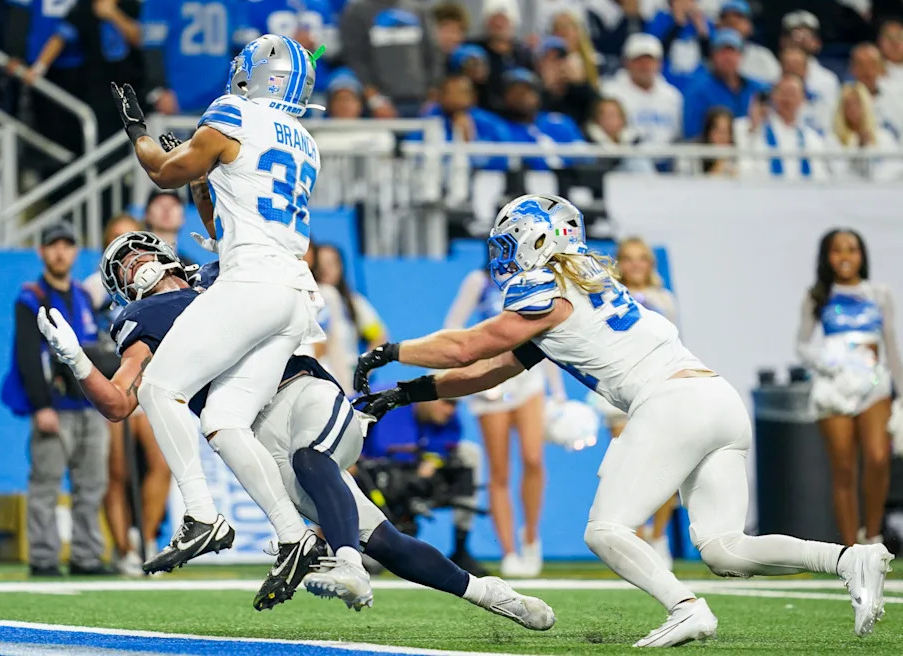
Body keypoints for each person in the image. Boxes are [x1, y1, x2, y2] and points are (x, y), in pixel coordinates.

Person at [353, 194, 894, 647]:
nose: (503, 253)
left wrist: (391, 348)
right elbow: (490, 371)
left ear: (538, 240)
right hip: (716, 398)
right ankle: (849, 558)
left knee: (605, 530)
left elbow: (469, 345)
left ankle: (685, 607)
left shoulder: (544, 290)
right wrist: (404, 394)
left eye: (509, 239)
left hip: (671, 404)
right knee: (725, 549)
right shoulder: (587, 283)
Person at [38, 231, 556, 628]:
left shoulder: (222, 277)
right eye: (123, 268)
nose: (136, 267)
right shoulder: (145, 318)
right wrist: (76, 360)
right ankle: (489, 594)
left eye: (138, 254)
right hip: (260, 440)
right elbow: (117, 403)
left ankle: (336, 558)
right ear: (119, 288)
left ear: (164, 253)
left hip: (304, 394)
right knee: (386, 540)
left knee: (313, 460)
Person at [108, 34, 328, 578]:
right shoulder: (305, 142)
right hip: (294, 294)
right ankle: (294, 535)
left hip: (251, 280)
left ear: (259, 74)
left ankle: (201, 515)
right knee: (226, 420)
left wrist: (136, 131)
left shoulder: (235, 111)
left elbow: (161, 170)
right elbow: (219, 220)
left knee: (160, 387)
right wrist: (203, 182)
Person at [443, 262, 565, 577]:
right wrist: (462, 371)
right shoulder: (479, 279)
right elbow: (454, 326)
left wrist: (557, 391)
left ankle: (531, 536)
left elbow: (547, 333)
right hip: (491, 382)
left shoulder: (539, 279)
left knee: (533, 457)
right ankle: (508, 551)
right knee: (499, 470)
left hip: (528, 376)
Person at [2, 222, 110, 577]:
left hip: (90, 406)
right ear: (42, 252)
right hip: (55, 407)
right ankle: (44, 557)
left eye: (67, 245)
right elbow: (28, 356)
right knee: (46, 483)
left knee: (91, 485)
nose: (60, 252)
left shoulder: (82, 295)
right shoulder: (30, 296)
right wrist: (41, 405)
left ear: (76, 252)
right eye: (53, 246)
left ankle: (86, 556)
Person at [797, 229, 903, 547]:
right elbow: (802, 345)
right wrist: (831, 362)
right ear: (826, 257)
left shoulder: (879, 293)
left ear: (862, 255)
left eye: (852, 249)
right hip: (835, 386)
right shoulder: (817, 296)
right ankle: (850, 552)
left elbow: (891, 347)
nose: (845, 256)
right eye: (837, 250)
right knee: (843, 467)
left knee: (877, 457)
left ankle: (872, 538)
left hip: (873, 385)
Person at [85, 213, 171, 577]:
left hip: (151, 382)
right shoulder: (93, 287)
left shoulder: (157, 279)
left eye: (132, 240)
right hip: (115, 380)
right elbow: (86, 336)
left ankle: (149, 540)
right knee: (115, 470)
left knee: (161, 464)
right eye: (117, 240)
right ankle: (124, 549)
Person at [24, 0, 143, 140]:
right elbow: (60, 37)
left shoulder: (133, 5)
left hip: (134, 85)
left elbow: (140, 39)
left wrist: (113, 14)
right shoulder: (82, 7)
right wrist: (38, 68)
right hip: (98, 89)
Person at [361, 396, 487, 577]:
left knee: (469, 453)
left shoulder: (449, 420)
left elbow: (443, 447)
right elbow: (387, 451)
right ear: (427, 397)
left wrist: (432, 460)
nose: (450, 410)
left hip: (416, 476)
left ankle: (461, 547)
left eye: (454, 404)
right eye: (446, 402)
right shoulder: (391, 404)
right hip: (374, 475)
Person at [613, 236, 679, 566]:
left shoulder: (665, 299)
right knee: (628, 466)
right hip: (620, 390)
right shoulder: (608, 297)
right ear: (619, 263)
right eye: (628, 258)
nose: (635, 265)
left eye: (642, 258)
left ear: (650, 265)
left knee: (667, 465)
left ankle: (659, 536)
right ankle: (636, 540)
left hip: (658, 388)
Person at [140, 0, 254, 116]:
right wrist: (159, 89)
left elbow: (241, 48)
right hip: (176, 95)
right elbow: (152, 47)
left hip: (221, 94)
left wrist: (236, 87)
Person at [5, 0, 89, 156]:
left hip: (79, 63)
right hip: (38, 62)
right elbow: (19, 10)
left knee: (76, 137)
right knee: (45, 136)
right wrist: (15, 53)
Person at [340, 0, 441, 118]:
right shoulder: (356, 11)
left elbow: (432, 54)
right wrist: (375, 100)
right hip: (380, 105)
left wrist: (432, 97)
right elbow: (355, 59)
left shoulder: (419, 10)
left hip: (420, 102)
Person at [246, 0, 338, 95]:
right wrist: (290, 48)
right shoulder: (253, 1)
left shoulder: (318, 0)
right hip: (272, 89)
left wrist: (314, 46)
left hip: (315, 87)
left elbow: (333, 47)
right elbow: (249, 49)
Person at [314, 243, 388, 393]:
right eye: (320, 264)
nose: (325, 269)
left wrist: (362, 370)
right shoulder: (310, 302)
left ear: (341, 267)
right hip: (318, 381)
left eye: (331, 263)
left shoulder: (355, 304)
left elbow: (379, 337)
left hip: (347, 384)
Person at [734, 74, 830, 180]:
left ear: (803, 99)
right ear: (773, 96)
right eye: (783, 93)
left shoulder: (812, 138)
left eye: (792, 93)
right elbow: (742, 162)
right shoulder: (754, 128)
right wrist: (753, 128)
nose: (787, 99)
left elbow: (821, 176)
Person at [602, 33, 683, 151]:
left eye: (650, 60)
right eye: (638, 61)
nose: (645, 66)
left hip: (666, 162)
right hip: (624, 159)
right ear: (626, 62)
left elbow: (678, 136)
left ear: (659, 63)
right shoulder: (609, 92)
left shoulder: (672, 96)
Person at [497, 68, 586, 172]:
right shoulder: (500, 129)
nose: (521, 98)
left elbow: (585, 158)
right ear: (504, 98)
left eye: (527, 92)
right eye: (515, 93)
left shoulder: (560, 122)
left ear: (538, 95)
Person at [682, 28, 764, 139]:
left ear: (740, 55)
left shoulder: (756, 88)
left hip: (750, 150)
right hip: (712, 152)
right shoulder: (698, 90)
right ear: (713, 56)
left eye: (733, 52)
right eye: (722, 52)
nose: (728, 57)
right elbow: (692, 133)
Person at [468, 0, 534, 115]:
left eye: (503, 19)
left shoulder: (523, 54)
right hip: (482, 115)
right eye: (493, 19)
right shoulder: (473, 50)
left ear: (513, 22)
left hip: (518, 117)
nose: (498, 24)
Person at [645, 0, 713, 93]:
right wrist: (677, 25)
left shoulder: (703, 22)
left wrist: (702, 30)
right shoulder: (660, 19)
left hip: (697, 84)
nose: (684, 2)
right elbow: (656, 51)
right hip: (666, 84)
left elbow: (711, 57)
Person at [832, 83, 902, 181]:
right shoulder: (834, 140)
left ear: (865, 106)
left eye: (857, 104)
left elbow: (896, 169)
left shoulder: (884, 137)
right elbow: (837, 175)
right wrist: (859, 149)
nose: (852, 109)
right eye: (848, 105)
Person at [779, 11, 841, 122]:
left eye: (807, 35)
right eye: (794, 34)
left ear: (817, 42)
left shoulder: (828, 81)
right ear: (783, 41)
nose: (800, 40)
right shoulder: (771, 75)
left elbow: (831, 122)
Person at [536, 36, 599, 128]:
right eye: (549, 59)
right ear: (540, 64)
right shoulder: (532, 89)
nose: (557, 64)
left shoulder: (578, 91)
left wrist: (578, 84)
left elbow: (597, 109)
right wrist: (548, 89)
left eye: (560, 58)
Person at [584, 97, 654, 174]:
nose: (610, 120)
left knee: (638, 161)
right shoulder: (588, 140)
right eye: (606, 116)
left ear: (622, 118)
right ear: (597, 118)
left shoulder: (634, 139)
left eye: (613, 115)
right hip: (602, 178)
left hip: (629, 178)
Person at [718, 0, 779, 86]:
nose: (732, 21)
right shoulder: (709, 56)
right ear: (718, 26)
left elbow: (777, 88)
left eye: (739, 18)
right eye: (726, 19)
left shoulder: (763, 56)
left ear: (750, 27)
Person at [849, 42, 903, 141]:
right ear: (852, 68)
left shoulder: (898, 97)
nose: (867, 70)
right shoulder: (843, 100)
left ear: (881, 67)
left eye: (872, 64)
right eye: (861, 64)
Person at [680, 105, 736, 177]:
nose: (722, 137)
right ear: (708, 131)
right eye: (719, 131)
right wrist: (720, 163)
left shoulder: (736, 152)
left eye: (726, 132)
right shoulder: (693, 153)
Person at [878, 17, 903, 86]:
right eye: (889, 37)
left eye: (899, 37)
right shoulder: (871, 71)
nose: (894, 42)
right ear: (880, 42)